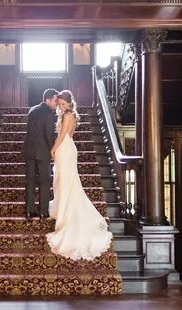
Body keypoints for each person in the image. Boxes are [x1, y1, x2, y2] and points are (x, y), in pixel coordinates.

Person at [46, 90, 113, 261]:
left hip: (64, 148)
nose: (60, 107)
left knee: (67, 182)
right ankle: (63, 210)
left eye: (62, 104)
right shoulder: (69, 114)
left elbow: (62, 136)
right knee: (63, 181)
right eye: (59, 104)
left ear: (69, 103)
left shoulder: (68, 115)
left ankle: (67, 216)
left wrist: (53, 149)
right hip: (67, 148)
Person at [24, 88, 58, 219]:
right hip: (43, 152)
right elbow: (49, 135)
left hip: (29, 150)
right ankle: (43, 212)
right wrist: (52, 150)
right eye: (54, 100)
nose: (56, 103)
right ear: (47, 100)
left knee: (30, 181)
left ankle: (29, 211)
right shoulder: (49, 114)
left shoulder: (32, 110)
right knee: (44, 181)